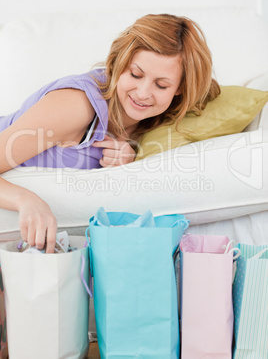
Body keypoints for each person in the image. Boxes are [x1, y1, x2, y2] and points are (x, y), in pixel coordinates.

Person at [0, 13, 220, 252]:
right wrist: (26, 200)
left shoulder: (153, 120)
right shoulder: (78, 106)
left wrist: (130, 156)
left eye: (161, 85)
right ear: (117, 63)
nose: (143, 92)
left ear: (179, 89)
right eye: (135, 74)